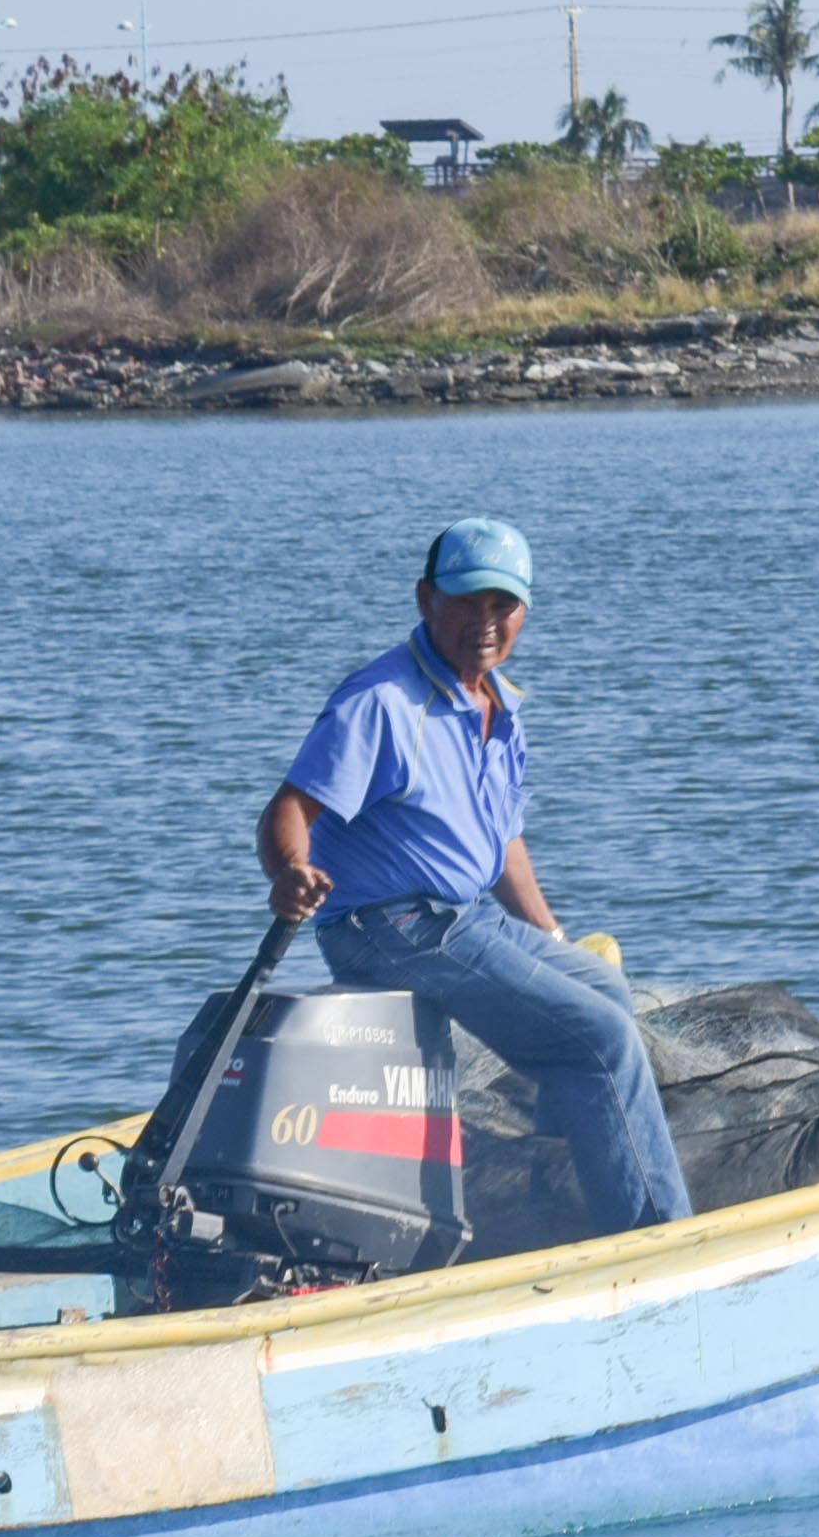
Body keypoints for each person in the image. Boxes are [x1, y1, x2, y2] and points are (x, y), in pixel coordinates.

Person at [256, 518, 693, 1240]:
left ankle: (554, 1195)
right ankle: (656, 1237)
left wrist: (551, 939)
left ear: (523, 611)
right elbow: (287, 811)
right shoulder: (383, 702)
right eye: (466, 603)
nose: (485, 624)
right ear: (427, 599)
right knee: (600, 1041)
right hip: (388, 928)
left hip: (465, 918)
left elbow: (502, 843)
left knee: (603, 990)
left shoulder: (501, 703)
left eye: (503, 606)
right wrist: (290, 872)